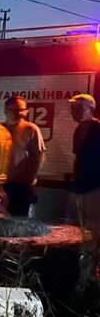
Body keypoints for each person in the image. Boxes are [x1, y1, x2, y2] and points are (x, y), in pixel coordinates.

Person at [2, 96, 46, 216]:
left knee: (17, 220)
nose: (19, 113)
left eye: (21, 110)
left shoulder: (31, 129)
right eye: (14, 110)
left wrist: (30, 181)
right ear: (5, 111)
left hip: (20, 185)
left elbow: (38, 156)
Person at [69, 94, 100, 237]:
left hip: (94, 185)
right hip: (80, 184)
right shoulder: (78, 130)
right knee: (77, 225)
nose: (72, 111)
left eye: (76, 108)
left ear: (88, 108)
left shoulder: (97, 128)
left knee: (93, 226)